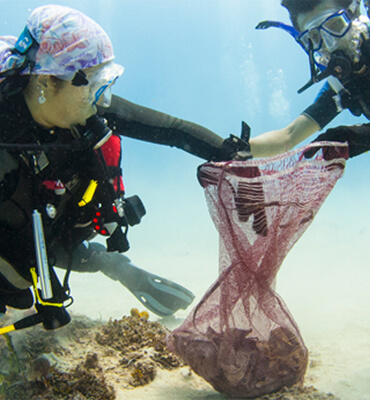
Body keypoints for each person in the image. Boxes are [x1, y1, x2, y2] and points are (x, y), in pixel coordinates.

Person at [0, 5, 251, 331]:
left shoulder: (81, 108)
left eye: (107, 81)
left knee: (63, 228)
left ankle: (110, 263)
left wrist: (231, 157)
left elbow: (172, 129)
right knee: (16, 285)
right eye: (94, 84)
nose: (102, 99)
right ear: (48, 81)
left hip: (47, 229)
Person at [250, 0, 370, 159]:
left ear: (354, 17)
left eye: (335, 25)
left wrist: (359, 136)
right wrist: (232, 149)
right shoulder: (341, 87)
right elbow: (287, 137)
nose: (330, 44)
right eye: (314, 37)